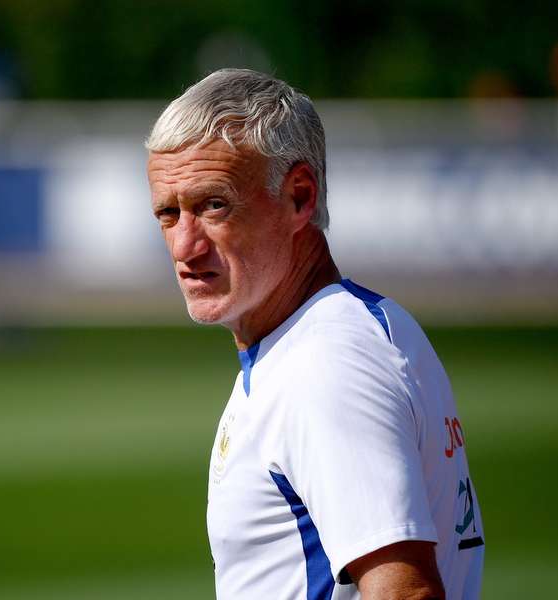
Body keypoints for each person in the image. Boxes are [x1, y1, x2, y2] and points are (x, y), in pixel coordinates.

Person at [145, 69, 484, 600]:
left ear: (300, 196)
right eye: (168, 213)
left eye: (214, 205)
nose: (185, 247)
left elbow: (406, 591)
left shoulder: (325, 362)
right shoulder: (346, 331)